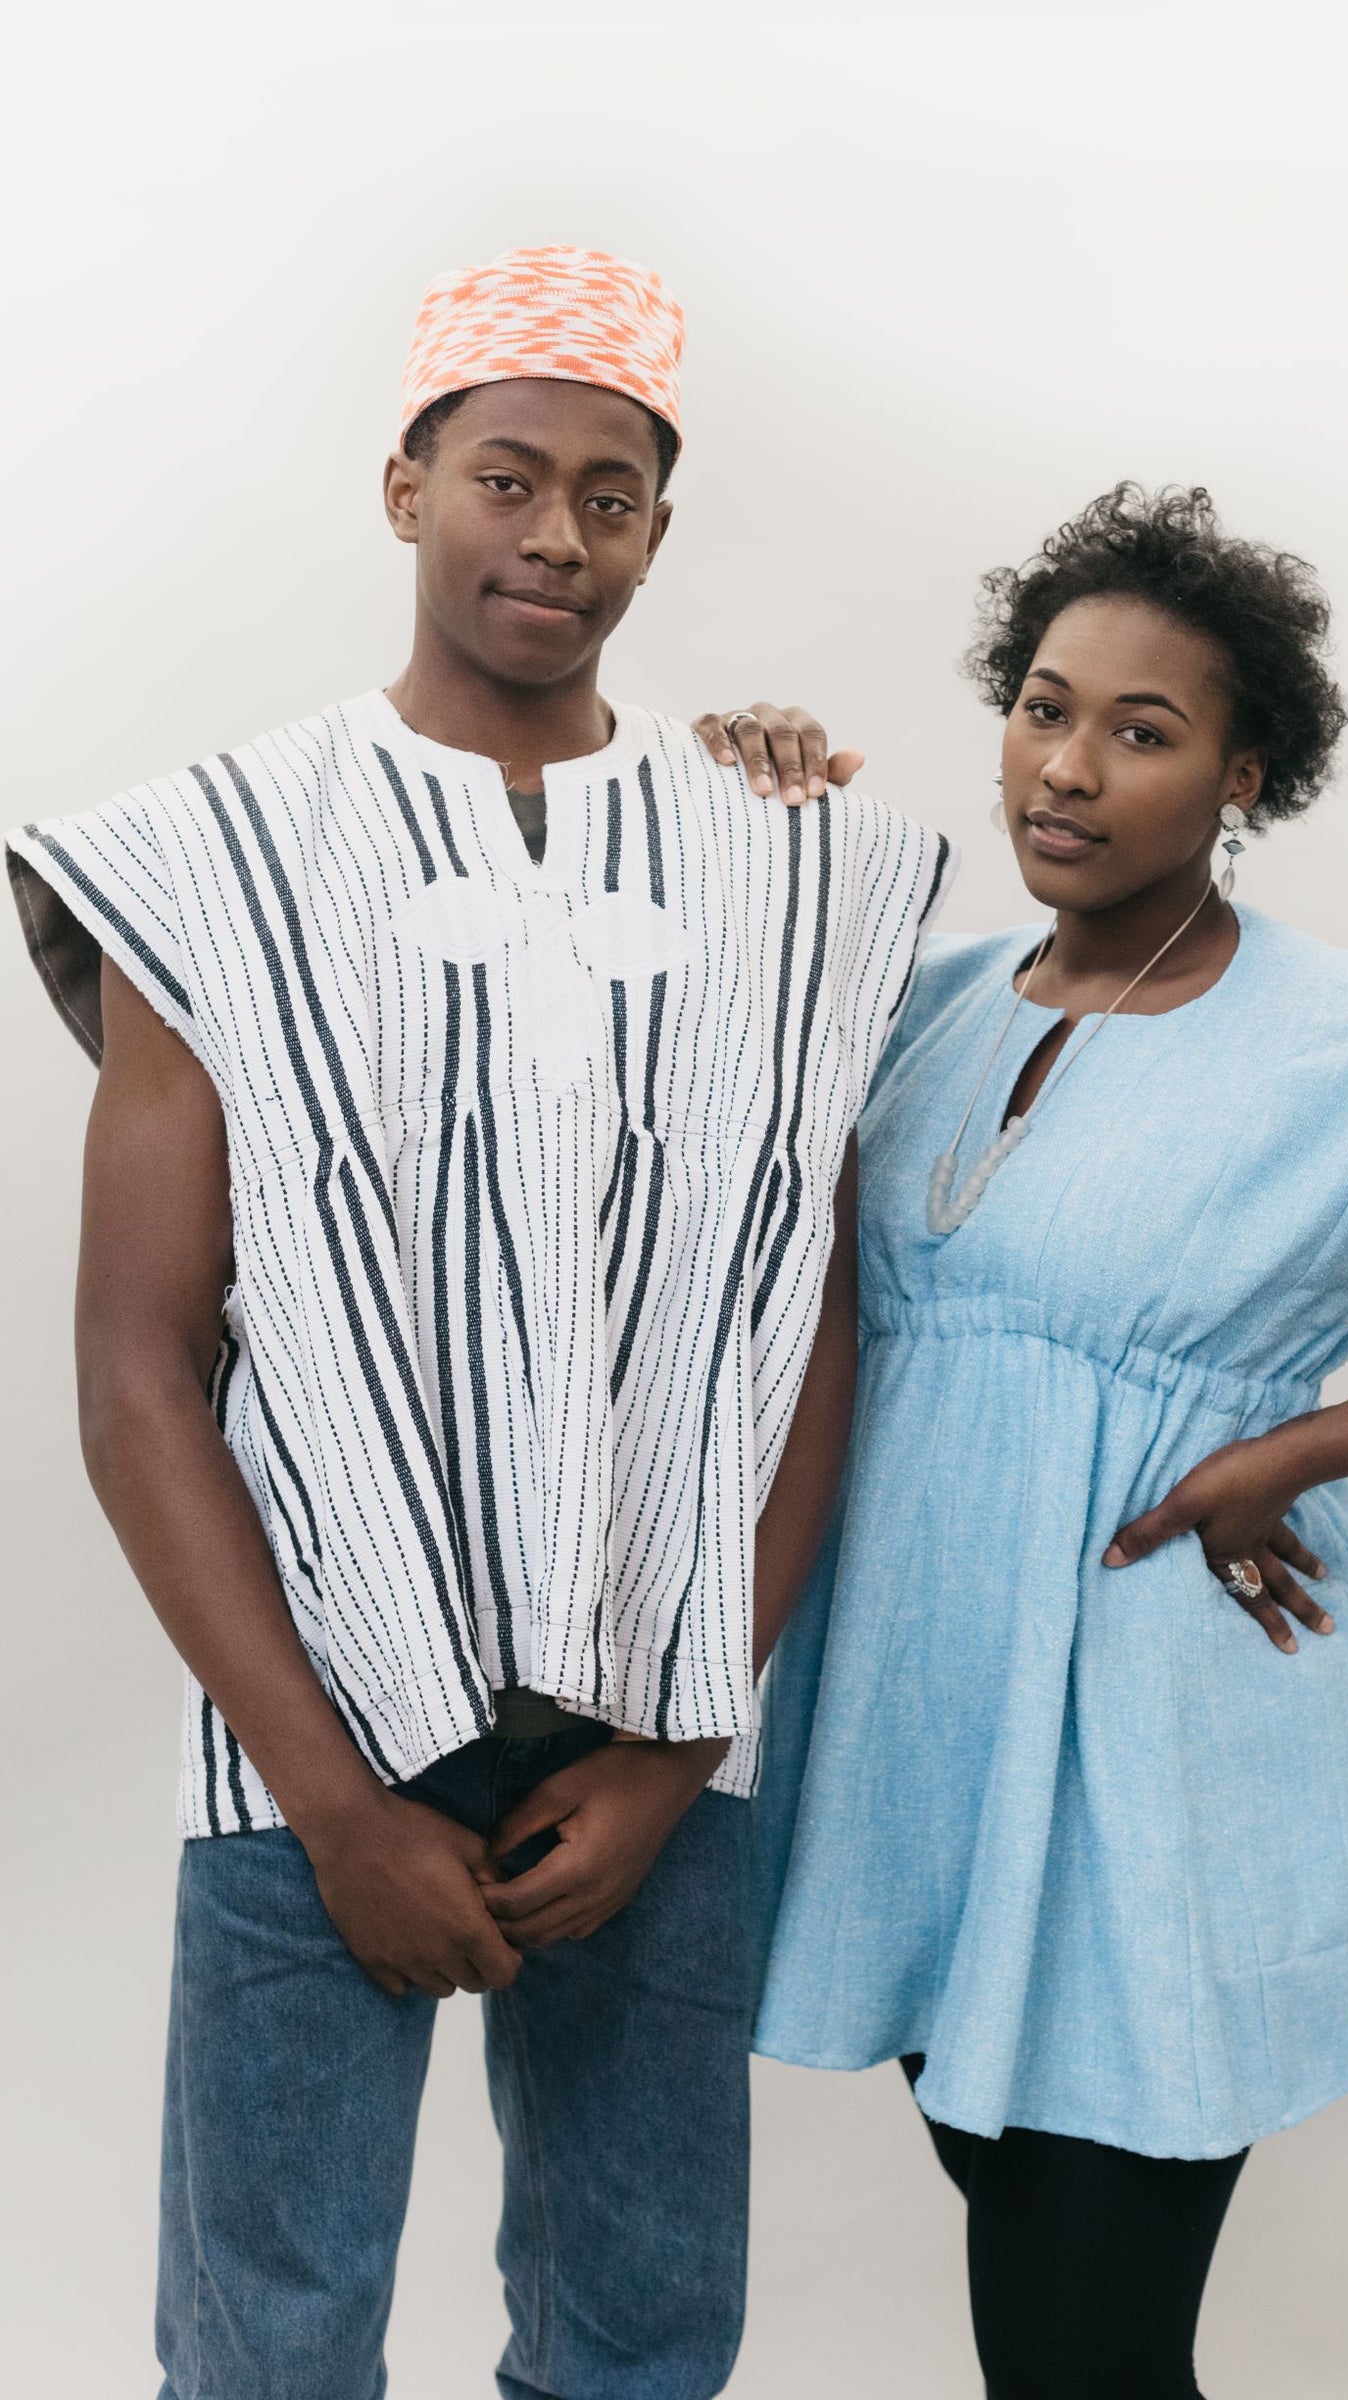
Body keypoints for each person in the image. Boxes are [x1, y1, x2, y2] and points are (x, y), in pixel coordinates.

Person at [5, 245, 950, 2400]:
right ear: (404, 484)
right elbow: (138, 1369)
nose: (554, 537)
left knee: (637, 2344)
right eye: (506, 478)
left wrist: (678, 1749)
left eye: (606, 496)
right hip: (308, 1732)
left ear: (657, 532)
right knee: (266, 2354)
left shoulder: (777, 870)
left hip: (645, 1751)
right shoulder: (217, 855)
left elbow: (800, 1334)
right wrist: (336, 1802)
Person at [696, 485, 1348, 2400]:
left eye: (1142, 729)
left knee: (1080, 2353)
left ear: (1241, 775)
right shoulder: (918, 1001)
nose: (1067, 767)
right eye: (1041, 704)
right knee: (1052, 2328)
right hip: (931, 1754)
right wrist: (720, 800)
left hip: (1158, 1762)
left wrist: (1291, 1450)